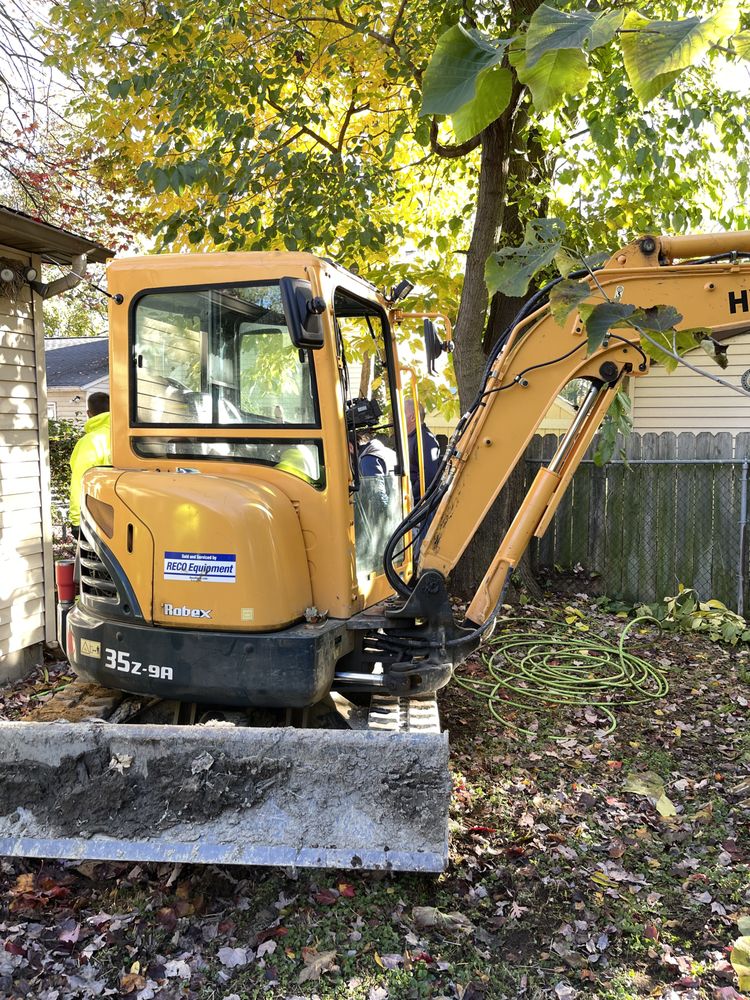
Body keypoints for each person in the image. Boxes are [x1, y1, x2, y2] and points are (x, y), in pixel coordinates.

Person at [69, 392, 112, 539]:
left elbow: (79, 482)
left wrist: (76, 520)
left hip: (98, 521)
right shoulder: (128, 438)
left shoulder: (89, 442)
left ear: (89, 413)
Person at [404, 398, 441, 502]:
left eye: (402, 413)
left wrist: (411, 497)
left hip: (420, 507)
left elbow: (428, 475)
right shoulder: (409, 438)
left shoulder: (426, 440)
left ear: (412, 418)